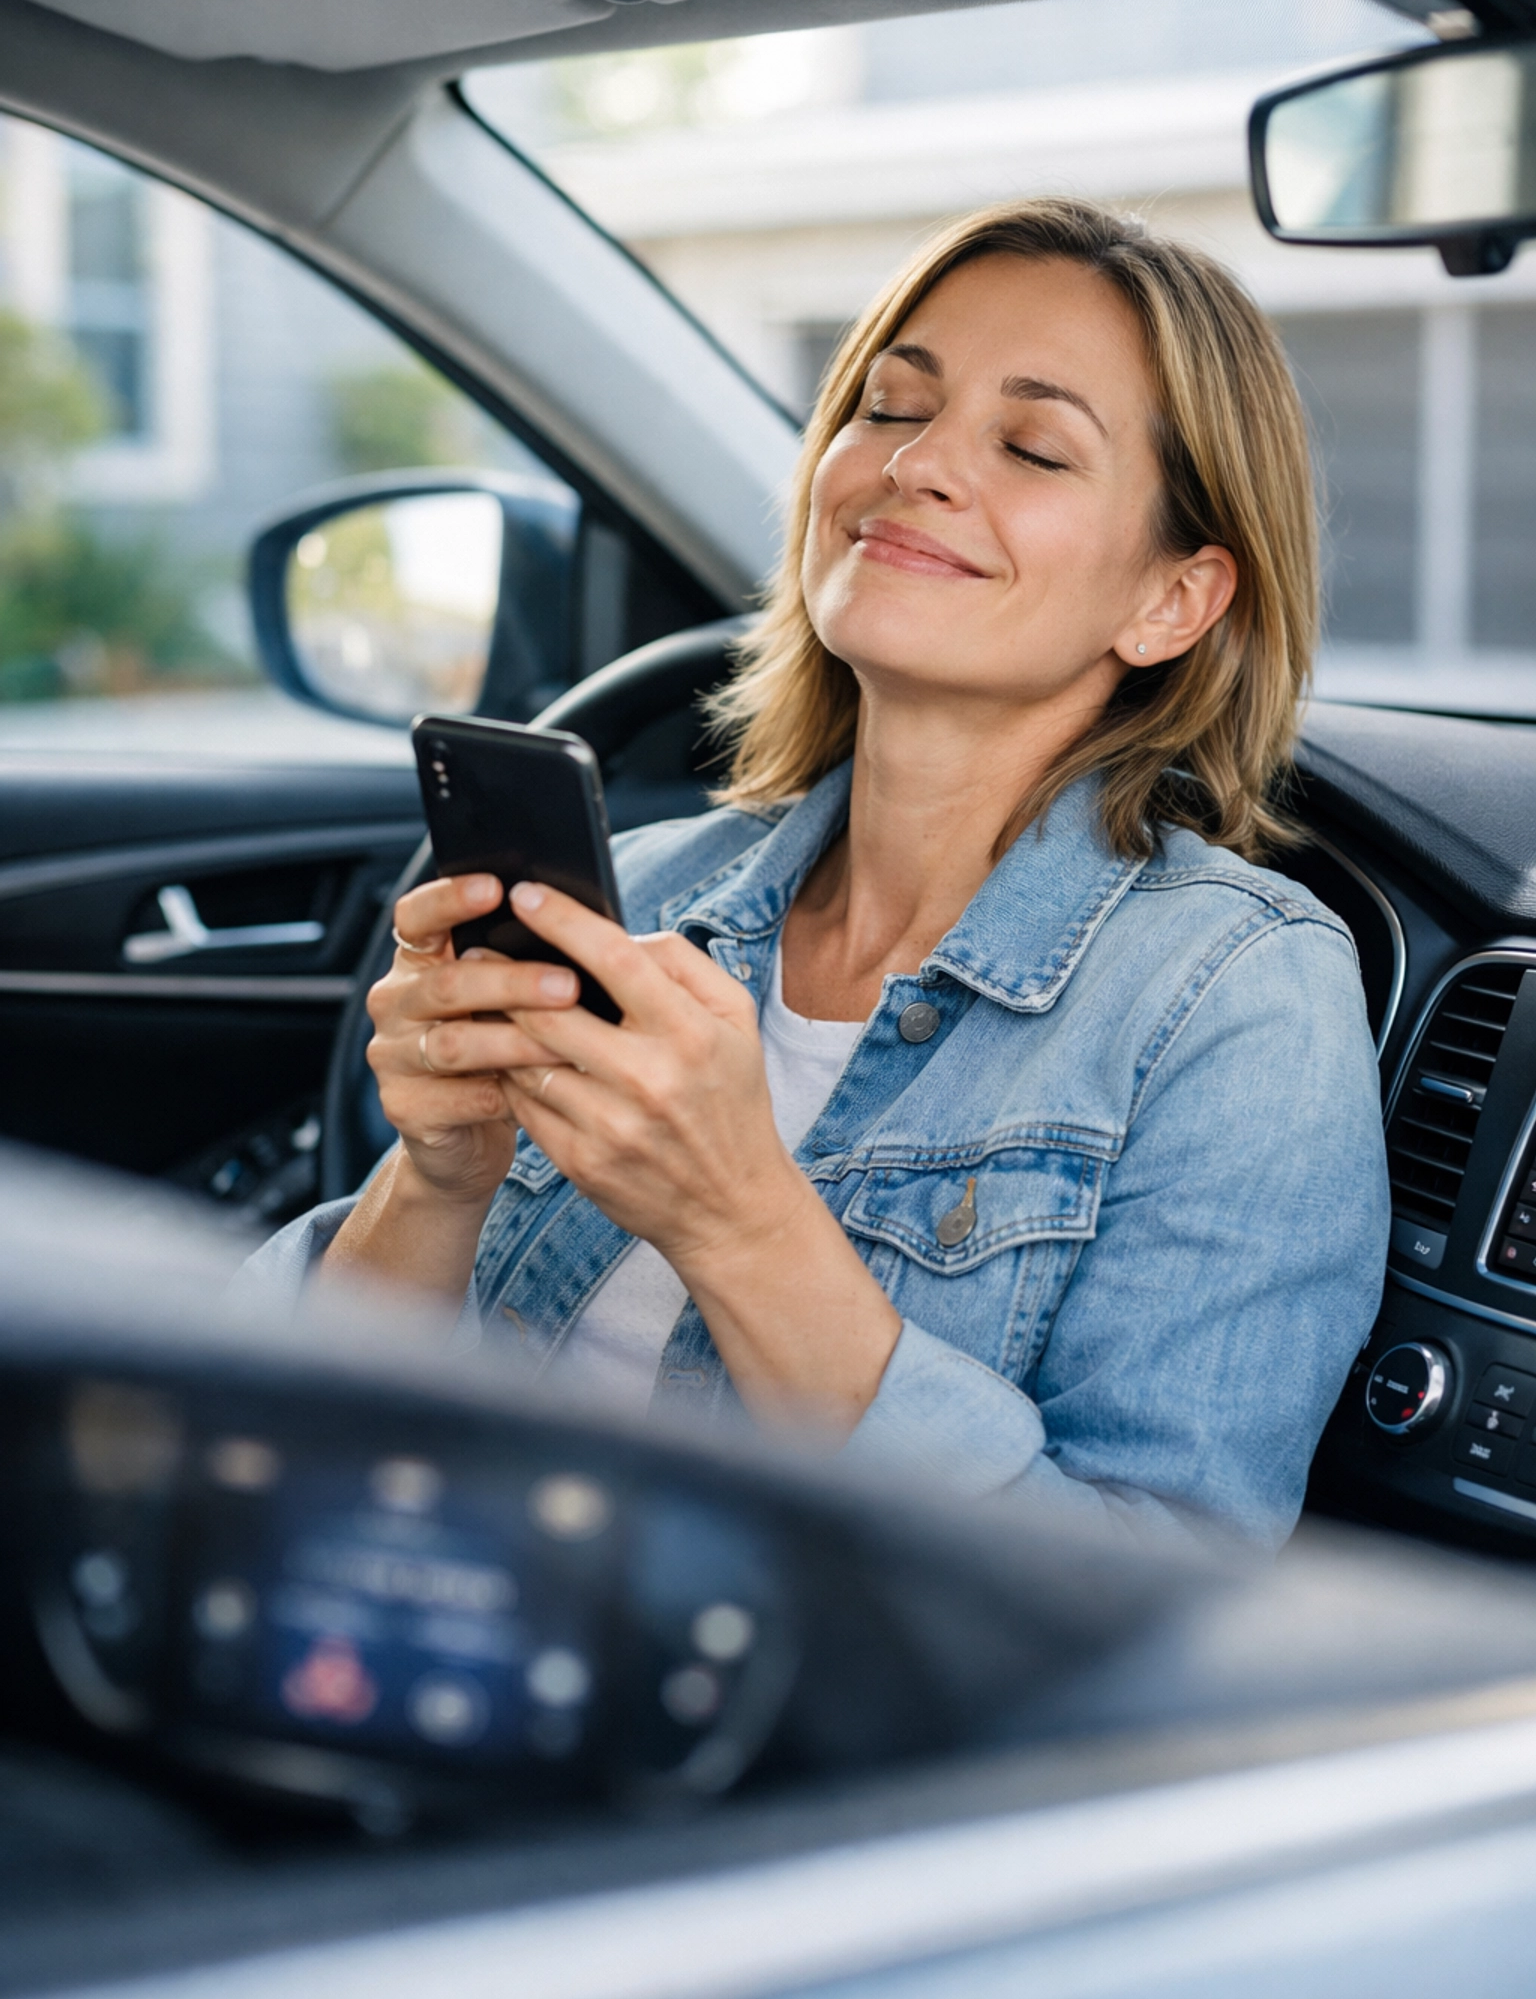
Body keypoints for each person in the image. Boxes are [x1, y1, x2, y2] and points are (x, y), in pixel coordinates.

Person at [249, 198, 1389, 1551]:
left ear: (1175, 601)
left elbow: (1149, 1609)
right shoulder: (649, 890)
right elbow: (283, 1443)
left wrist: (739, 1219)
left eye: (1030, 445)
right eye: (892, 406)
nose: (916, 466)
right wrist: (437, 1177)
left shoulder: (1235, 996)